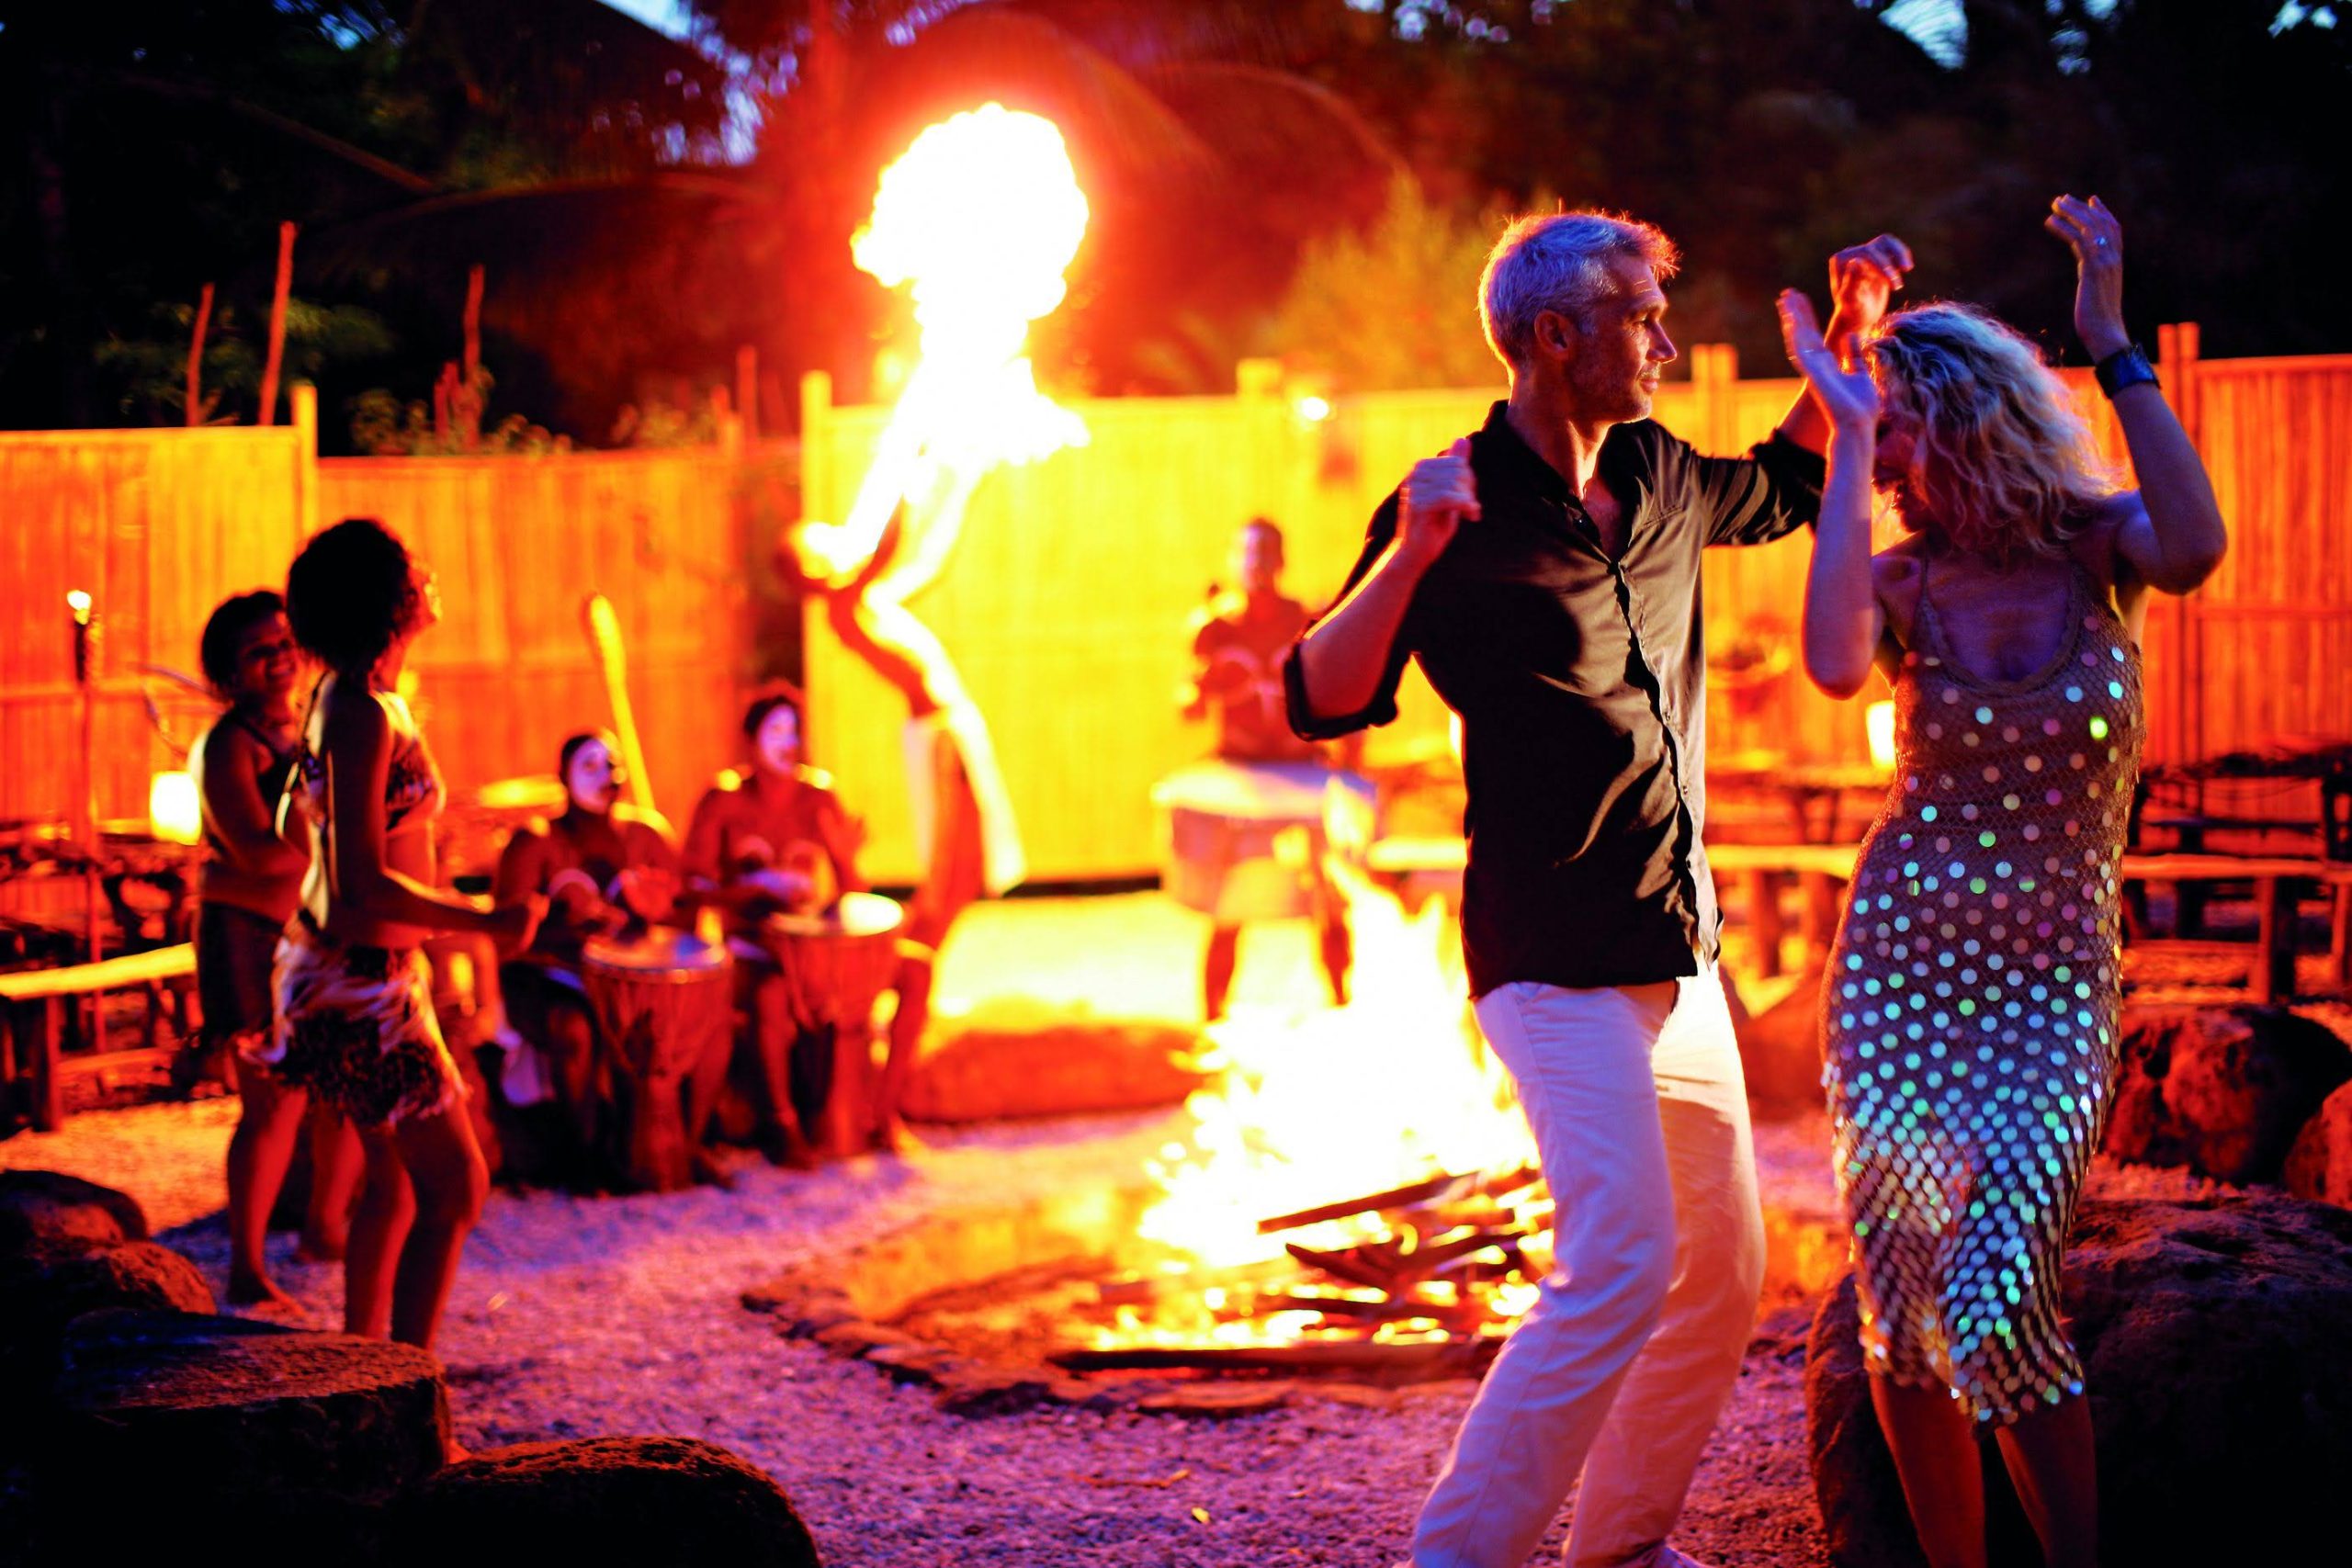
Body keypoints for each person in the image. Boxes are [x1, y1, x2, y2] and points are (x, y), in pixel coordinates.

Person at [1286, 210, 1911, 1568]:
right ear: (1557, 337)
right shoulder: (1451, 501)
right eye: (1643, 317)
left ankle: (1619, 1544)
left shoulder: (1663, 471)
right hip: (1550, 956)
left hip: (1676, 948)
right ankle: (1462, 1554)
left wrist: (1844, 356)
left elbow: (1787, 485)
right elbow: (1319, 696)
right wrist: (1406, 552)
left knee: (1723, 1271)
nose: (1667, 340)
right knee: (1625, 1253)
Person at [1781, 196, 2224, 1568]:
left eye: (1897, 427)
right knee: (1902, 1308)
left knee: (1997, 1299)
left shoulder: (2105, 553)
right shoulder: (1903, 582)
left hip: (2050, 984)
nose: (1889, 457)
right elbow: (1832, 662)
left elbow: (2200, 543)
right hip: (1900, 974)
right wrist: (1846, 437)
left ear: (1964, 417)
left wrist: (2111, 342)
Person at [250, 517, 542, 1349]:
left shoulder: (350, 699)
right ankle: (409, 1387)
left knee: (395, 1183)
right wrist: (482, 922)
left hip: (352, 967)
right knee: (456, 1184)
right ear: (390, 597)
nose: (429, 569)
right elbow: (356, 884)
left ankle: (367, 1371)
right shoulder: (361, 711)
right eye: (414, 563)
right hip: (357, 977)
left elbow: (291, 822)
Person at [192, 590, 362, 1306]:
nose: (279, 658)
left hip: (309, 934)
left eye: (284, 642)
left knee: (345, 1088)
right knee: (272, 1105)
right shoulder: (229, 745)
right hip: (248, 936)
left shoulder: (304, 729)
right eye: (259, 651)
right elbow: (260, 855)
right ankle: (246, 1266)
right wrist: (334, 825)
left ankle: (325, 1227)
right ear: (229, 674)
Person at [492, 730, 689, 1190]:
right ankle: (581, 1157)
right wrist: (567, 927)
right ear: (562, 776)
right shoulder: (535, 842)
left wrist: (652, 908)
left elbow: (684, 912)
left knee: (672, 1021)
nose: (607, 776)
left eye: (613, 765)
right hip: (550, 976)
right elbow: (504, 938)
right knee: (574, 1029)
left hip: (632, 979)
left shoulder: (647, 835)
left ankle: (677, 1149)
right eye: (590, 766)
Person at [1176, 518, 1351, 1019]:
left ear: (1280, 561)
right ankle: (1212, 1019)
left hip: (1300, 772)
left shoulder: (1307, 621)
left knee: (1328, 892)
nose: (1256, 567)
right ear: (1236, 562)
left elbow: (1338, 693)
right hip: (1241, 777)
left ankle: (1342, 1003)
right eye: (1247, 556)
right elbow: (1189, 704)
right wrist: (1203, 686)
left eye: (1265, 555)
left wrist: (1345, 758)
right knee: (1228, 902)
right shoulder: (1214, 631)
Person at [682, 688, 864, 1165]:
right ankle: (781, 1125)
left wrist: (843, 858)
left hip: (810, 946)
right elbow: (693, 886)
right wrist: (755, 886)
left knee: (893, 974)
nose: (790, 741)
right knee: (771, 993)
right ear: (751, 740)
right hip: (746, 947)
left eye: (796, 730)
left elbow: (853, 893)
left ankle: (875, 1116)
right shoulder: (724, 799)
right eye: (777, 730)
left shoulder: (820, 795)